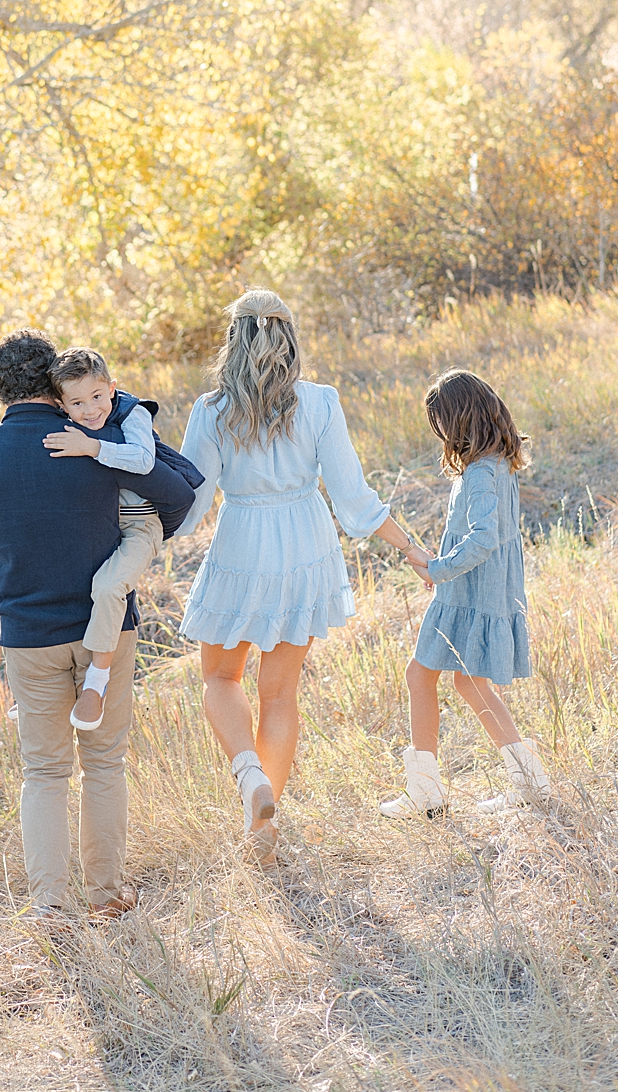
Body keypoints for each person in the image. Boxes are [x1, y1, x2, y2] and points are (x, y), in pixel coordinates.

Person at [0, 329, 196, 922]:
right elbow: (178, 498)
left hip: (29, 633)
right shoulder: (93, 441)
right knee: (104, 762)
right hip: (104, 630)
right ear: (55, 385)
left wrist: (20, 547)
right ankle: (105, 895)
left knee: (44, 770)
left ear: (0, 390)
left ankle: (49, 904)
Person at [175, 288, 429, 862]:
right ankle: (263, 830)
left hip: (243, 544)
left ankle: (249, 777)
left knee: (219, 677)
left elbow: (191, 506)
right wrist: (411, 549)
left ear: (233, 342)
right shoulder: (320, 403)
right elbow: (354, 500)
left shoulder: (211, 410)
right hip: (305, 548)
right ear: (289, 338)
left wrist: (129, 529)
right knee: (280, 692)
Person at [0, 345, 194, 733]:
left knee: (108, 588)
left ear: (111, 388)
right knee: (104, 762)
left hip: (136, 527)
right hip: (112, 536)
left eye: (96, 397)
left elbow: (162, 480)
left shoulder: (117, 425)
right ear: (59, 403)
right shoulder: (69, 428)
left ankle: (96, 681)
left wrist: (93, 449)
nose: (90, 409)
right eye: (77, 402)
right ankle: (61, 693)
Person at [380, 369, 552, 820]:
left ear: (456, 422)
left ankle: (426, 792)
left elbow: (482, 539)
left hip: (469, 594)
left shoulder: (480, 471)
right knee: (467, 681)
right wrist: (441, 568)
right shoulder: (497, 461)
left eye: (441, 425)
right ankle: (528, 780)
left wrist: (437, 569)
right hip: (480, 589)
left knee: (421, 676)